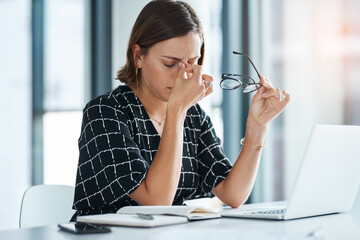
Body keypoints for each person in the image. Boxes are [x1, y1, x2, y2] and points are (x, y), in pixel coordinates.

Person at [71, 0, 290, 220]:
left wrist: (258, 127)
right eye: (169, 63)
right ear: (138, 56)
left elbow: (233, 194)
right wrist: (177, 109)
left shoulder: (193, 116)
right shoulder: (104, 112)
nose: (182, 75)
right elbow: (157, 202)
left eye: (192, 62)